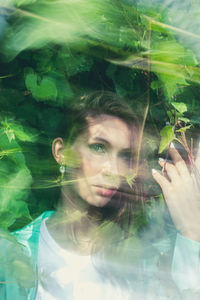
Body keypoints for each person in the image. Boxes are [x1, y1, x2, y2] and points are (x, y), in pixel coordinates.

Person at [0, 91, 200, 299]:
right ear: (61, 152)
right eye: (98, 147)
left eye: (123, 155)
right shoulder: (13, 256)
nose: (113, 169)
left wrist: (191, 232)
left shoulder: (143, 262)